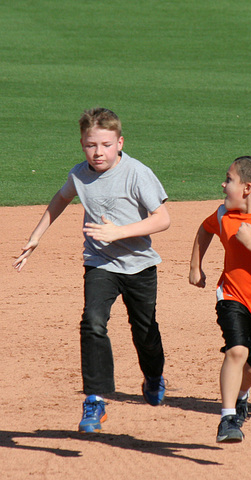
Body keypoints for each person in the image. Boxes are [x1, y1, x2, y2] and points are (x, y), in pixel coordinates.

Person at [13, 107, 171, 433]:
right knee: (93, 322)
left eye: (105, 144)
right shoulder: (79, 174)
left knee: (145, 332)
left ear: (119, 142)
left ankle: (153, 376)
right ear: (82, 144)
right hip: (100, 263)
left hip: (139, 266)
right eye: (90, 145)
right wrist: (36, 237)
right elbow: (60, 198)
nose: (98, 152)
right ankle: (95, 400)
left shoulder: (137, 173)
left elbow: (162, 219)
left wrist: (119, 232)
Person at [189, 156, 251, 443]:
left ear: (247, 188)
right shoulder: (223, 214)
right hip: (231, 296)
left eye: (229, 179)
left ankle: (242, 394)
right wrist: (195, 266)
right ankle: (228, 417)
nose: (223, 184)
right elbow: (204, 229)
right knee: (236, 351)